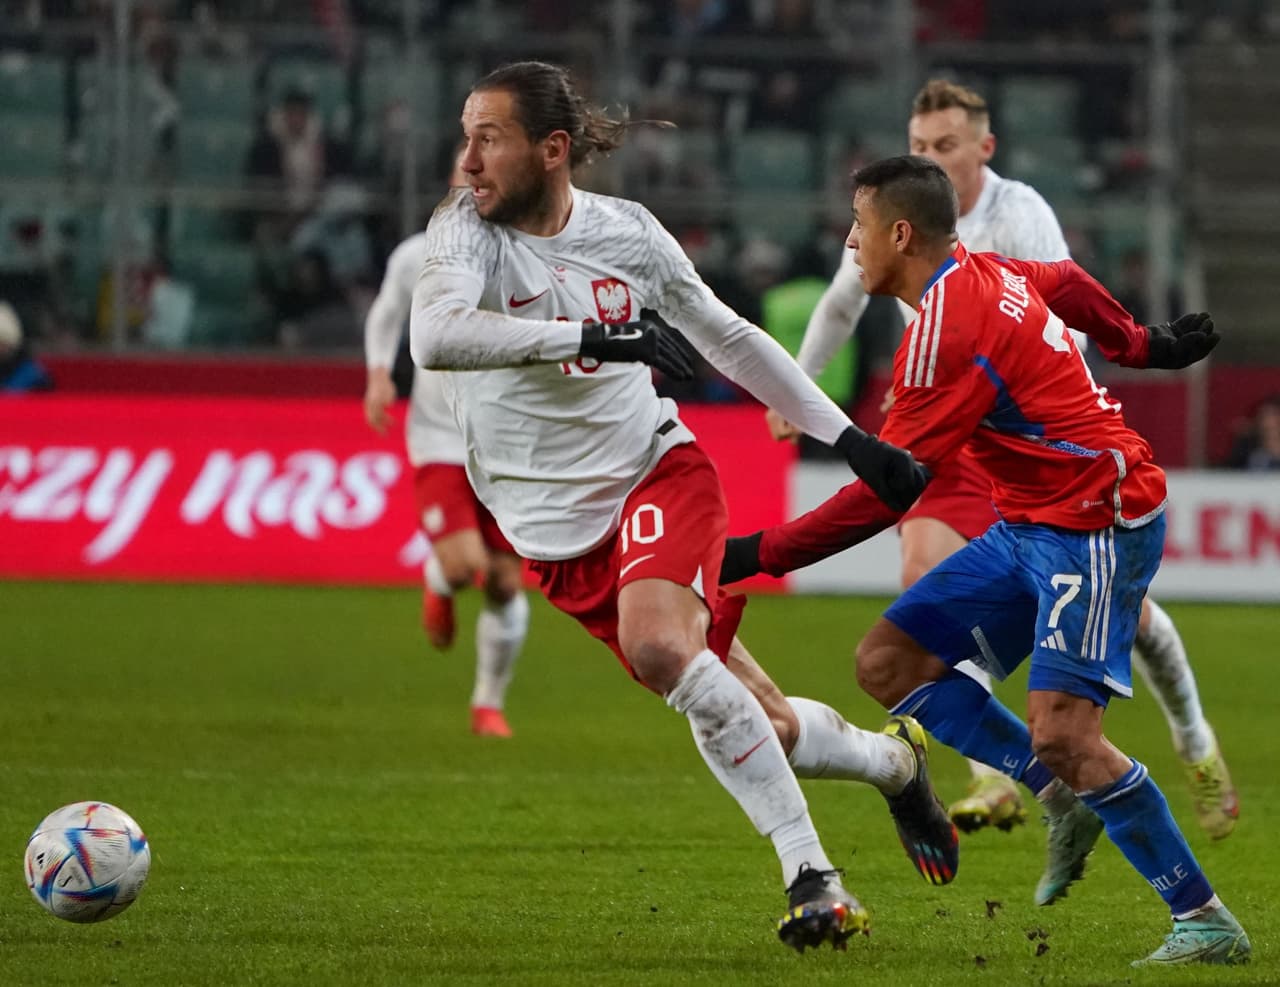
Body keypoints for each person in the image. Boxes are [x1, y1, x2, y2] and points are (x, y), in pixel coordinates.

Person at [410, 60, 955, 953]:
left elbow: (729, 335)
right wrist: (590, 333)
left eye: (487, 138)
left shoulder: (628, 233)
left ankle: (812, 876)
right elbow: (436, 336)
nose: (465, 160)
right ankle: (894, 763)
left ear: (552, 151)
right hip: (555, 538)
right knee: (764, 721)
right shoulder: (464, 230)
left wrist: (850, 441)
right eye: (464, 136)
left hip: (654, 475)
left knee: (661, 643)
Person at [724, 155, 1249, 967]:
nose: (850, 242)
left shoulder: (943, 333)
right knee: (891, 663)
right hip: (1031, 520)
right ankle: (1054, 796)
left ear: (900, 234)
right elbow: (1068, 282)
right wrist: (1140, 344)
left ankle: (1203, 917)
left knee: (1066, 733)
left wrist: (756, 552)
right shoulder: (983, 269)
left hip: (1096, 518)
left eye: (858, 227)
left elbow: (884, 497)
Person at [364, 181, 528, 740]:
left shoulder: (524, 255)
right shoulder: (417, 256)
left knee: (506, 583)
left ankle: (487, 704)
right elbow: (386, 314)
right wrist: (379, 373)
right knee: (462, 566)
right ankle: (439, 579)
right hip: (438, 439)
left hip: (506, 444)